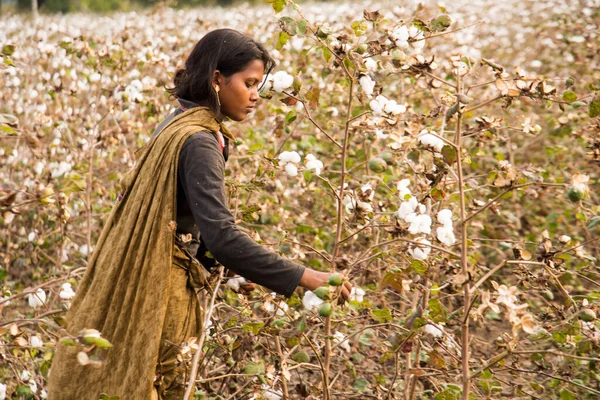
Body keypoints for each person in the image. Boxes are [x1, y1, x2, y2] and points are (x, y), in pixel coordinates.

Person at [47, 28, 351, 400]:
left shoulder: (177, 121)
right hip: (163, 295)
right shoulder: (201, 141)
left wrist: (233, 274)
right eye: (250, 83)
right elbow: (221, 236)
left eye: (260, 84)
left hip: (149, 279)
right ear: (217, 79)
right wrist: (304, 277)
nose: (256, 95)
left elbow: (187, 219)